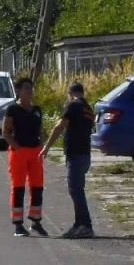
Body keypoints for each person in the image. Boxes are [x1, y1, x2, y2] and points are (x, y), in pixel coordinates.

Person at [41, 80, 96, 238]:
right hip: (85, 154)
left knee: (76, 190)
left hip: (76, 155)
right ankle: (79, 224)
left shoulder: (73, 106)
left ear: (70, 93)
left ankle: (85, 225)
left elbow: (59, 126)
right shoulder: (87, 108)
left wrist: (47, 147)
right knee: (77, 190)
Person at [3, 76, 47, 237]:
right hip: (19, 152)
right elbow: (5, 131)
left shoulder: (37, 110)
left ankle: (36, 221)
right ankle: (18, 224)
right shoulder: (12, 109)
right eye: (26, 88)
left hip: (35, 152)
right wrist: (15, 146)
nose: (29, 91)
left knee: (37, 186)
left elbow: (40, 129)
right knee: (18, 187)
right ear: (18, 91)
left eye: (30, 88)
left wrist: (42, 145)